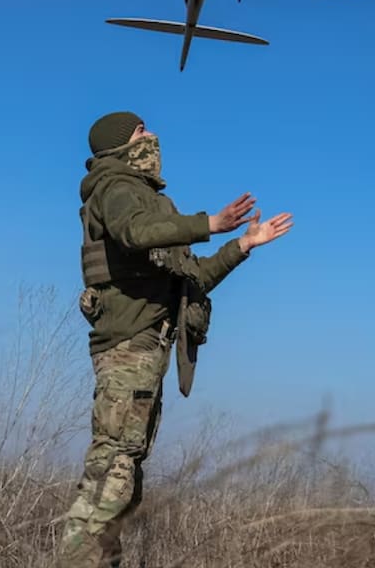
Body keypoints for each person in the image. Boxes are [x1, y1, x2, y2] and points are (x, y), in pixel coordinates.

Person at [56, 110, 294, 568]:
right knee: (113, 471)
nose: (153, 136)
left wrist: (242, 245)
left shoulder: (148, 202)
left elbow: (192, 277)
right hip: (128, 345)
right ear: (121, 144)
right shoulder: (117, 187)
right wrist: (208, 223)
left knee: (124, 475)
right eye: (142, 131)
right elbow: (132, 233)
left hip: (148, 350)